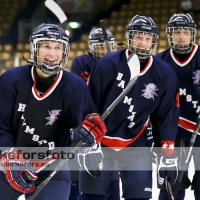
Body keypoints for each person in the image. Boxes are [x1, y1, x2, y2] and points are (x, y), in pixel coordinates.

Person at [77, 15, 180, 200]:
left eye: (147, 39)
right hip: (101, 141)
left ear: (153, 42)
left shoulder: (164, 74)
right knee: (92, 196)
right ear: (130, 38)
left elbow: (166, 116)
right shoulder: (106, 65)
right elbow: (89, 105)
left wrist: (167, 154)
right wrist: (89, 145)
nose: (142, 43)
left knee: (139, 196)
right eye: (138, 37)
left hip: (136, 142)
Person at [0, 23, 107, 200]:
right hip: (9, 162)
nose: (52, 53)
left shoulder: (75, 87)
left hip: (50, 164)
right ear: (35, 49)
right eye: (46, 46)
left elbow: (72, 134)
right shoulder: (11, 80)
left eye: (58, 48)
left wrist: (84, 138)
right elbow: (1, 126)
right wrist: (8, 156)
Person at [69, 27, 120, 200]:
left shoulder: (120, 61)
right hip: (88, 126)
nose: (104, 50)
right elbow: (81, 90)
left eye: (107, 46)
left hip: (112, 128)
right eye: (100, 46)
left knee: (112, 177)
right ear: (92, 47)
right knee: (85, 177)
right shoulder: (81, 62)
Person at [156, 13, 200, 200]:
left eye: (185, 32)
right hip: (173, 130)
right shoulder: (159, 62)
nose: (181, 36)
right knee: (172, 182)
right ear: (169, 35)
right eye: (176, 32)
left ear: (193, 35)